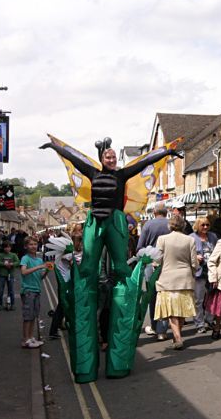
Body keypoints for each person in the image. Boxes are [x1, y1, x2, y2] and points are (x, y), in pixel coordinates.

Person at [41, 137, 180, 381]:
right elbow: (73, 158)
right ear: (103, 158)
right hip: (96, 222)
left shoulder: (123, 174)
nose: (112, 159)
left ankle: (118, 350)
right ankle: (86, 358)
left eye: (114, 157)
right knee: (87, 271)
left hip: (115, 221)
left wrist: (167, 153)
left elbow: (146, 161)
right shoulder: (93, 172)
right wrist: (55, 148)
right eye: (108, 156)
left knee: (120, 270)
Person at [154, 215, 198, 350]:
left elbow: (157, 261)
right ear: (183, 225)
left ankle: (177, 338)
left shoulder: (162, 239)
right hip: (185, 279)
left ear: (170, 225)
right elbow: (194, 263)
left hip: (167, 279)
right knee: (180, 310)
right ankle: (177, 335)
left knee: (172, 311)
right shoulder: (190, 240)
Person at [137, 202, 172, 340]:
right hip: (169, 265)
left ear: (154, 213)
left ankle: (154, 325)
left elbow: (140, 247)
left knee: (153, 297)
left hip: (151, 265)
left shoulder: (148, 225)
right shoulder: (171, 225)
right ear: (166, 212)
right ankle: (162, 329)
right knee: (165, 295)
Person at [48, 232, 82, 340]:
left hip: (64, 282)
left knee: (62, 306)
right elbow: (76, 263)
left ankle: (59, 325)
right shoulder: (66, 254)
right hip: (65, 284)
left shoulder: (62, 254)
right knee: (62, 307)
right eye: (79, 242)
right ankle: (53, 331)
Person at [189, 217, 218, 334]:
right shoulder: (191, 237)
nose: (205, 227)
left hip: (211, 271)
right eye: (203, 225)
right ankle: (199, 323)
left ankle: (209, 319)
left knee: (211, 297)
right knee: (198, 299)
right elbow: (186, 253)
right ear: (197, 226)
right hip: (199, 271)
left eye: (207, 225)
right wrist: (195, 257)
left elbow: (218, 250)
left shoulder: (213, 237)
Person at [20, 237, 49, 349]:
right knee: (28, 317)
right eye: (31, 244)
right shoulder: (25, 258)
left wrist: (46, 270)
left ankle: (31, 337)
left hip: (37, 290)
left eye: (35, 244)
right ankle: (25, 340)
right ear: (26, 246)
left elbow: (41, 276)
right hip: (28, 291)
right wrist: (39, 267)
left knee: (33, 316)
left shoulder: (39, 260)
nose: (33, 246)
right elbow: (23, 272)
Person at [0, 240, 20, 311]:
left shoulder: (13, 255)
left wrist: (12, 264)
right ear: (3, 248)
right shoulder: (1, 255)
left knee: (11, 290)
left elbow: (18, 262)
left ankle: (12, 304)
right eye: (6, 247)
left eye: (9, 247)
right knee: (0, 290)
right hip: (2, 275)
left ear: (11, 248)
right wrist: (4, 264)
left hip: (10, 275)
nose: (7, 249)